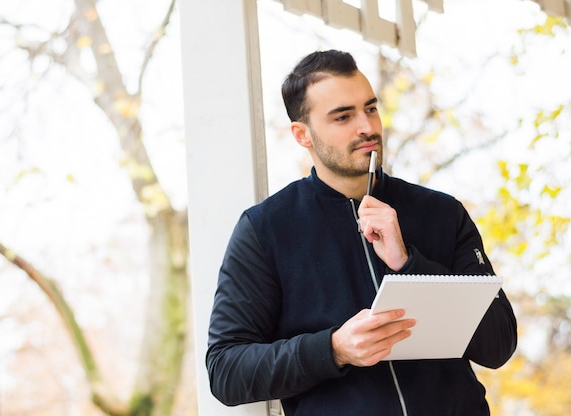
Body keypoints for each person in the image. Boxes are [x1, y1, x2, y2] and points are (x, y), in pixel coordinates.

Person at [206, 49, 517, 415]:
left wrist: (409, 263)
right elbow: (226, 370)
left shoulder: (442, 212)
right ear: (302, 134)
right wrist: (333, 349)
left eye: (370, 108)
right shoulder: (265, 230)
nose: (367, 127)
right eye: (343, 116)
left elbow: (499, 344)